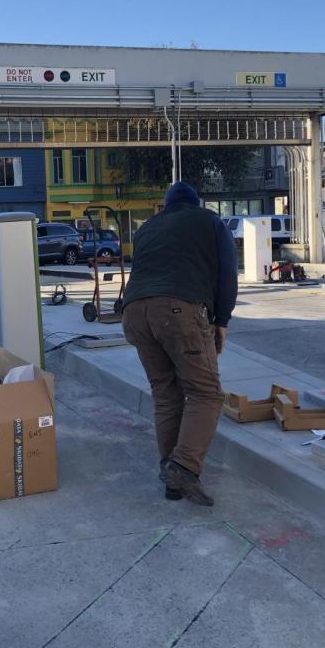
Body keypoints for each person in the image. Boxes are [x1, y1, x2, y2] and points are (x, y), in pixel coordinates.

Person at [121, 181, 237, 506]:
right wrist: (222, 320)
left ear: (166, 204)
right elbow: (227, 273)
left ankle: (172, 479)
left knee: (166, 394)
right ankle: (184, 467)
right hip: (178, 309)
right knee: (206, 394)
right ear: (195, 203)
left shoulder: (148, 228)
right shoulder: (209, 221)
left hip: (134, 313)